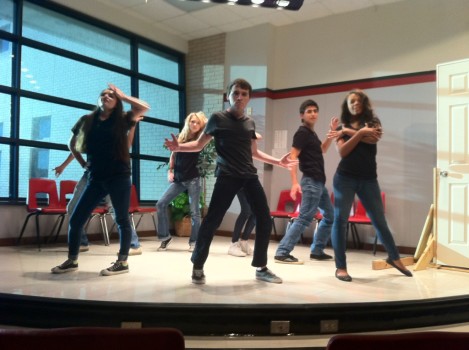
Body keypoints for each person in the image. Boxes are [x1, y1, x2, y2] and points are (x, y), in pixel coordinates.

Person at [164, 78, 298, 285]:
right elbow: (199, 145)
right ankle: (197, 266)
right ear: (228, 96)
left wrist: (277, 161)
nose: (239, 97)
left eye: (244, 94)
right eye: (236, 93)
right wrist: (179, 147)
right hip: (227, 176)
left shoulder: (249, 123)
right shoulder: (217, 118)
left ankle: (261, 268)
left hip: (249, 176)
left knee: (263, 218)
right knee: (212, 221)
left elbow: (254, 152)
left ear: (249, 98)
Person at [51, 84, 150, 276]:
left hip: (119, 176)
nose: (106, 96)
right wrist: (81, 163)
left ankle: (122, 262)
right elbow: (72, 144)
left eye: (111, 95)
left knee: (122, 219)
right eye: (103, 94)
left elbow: (144, 108)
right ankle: (72, 260)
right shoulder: (87, 120)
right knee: (76, 218)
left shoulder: (122, 119)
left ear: (117, 101)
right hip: (96, 177)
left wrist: (124, 96)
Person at [330, 89, 412, 282]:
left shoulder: (372, 123)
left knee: (379, 220)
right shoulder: (340, 127)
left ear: (364, 104)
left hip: (368, 179)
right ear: (347, 106)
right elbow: (343, 151)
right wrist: (359, 134)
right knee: (340, 221)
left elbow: (374, 138)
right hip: (345, 178)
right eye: (351, 102)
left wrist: (350, 132)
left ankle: (394, 257)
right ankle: (341, 267)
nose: (355, 104)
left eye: (359, 101)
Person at [274, 99, 337, 265]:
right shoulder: (302, 133)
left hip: (319, 184)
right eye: (309, 111)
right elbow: (293, 157)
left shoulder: (312, 134)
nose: (313, 113)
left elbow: (322, 149)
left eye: (315, 110)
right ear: (302, 115)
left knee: (330, 216)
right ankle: (282, 252)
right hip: (310, 182)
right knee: (304, 218)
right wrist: (294, 182)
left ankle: (317, 250)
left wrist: (330, 134)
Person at [54, 153, 143, 256]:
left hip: (110, 172)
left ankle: (133, 245)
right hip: (91, 173)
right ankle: (82, 243)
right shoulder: (85, 137)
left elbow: (124, 145)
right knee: (72, 207)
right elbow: (75, 146)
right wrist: (65, 165)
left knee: (115, 209)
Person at [156, 111, 208, 253]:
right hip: (178, 179)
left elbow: (210, 127)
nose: (195, 124)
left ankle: (194, 242)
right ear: (188, 122)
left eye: (198, 122)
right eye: (192, 121)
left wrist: (205, 120)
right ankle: (165, 237)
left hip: (193, 180)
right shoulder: (180, 137)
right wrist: (170, 171)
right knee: (161, 204)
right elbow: (173, 155)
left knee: (194, 212)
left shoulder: (200, 139)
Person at [228, 187, 256, 257]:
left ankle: (244, 242)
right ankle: (233, 244)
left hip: (251, 181)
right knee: (246, 211)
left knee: (255, 212)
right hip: (239, 181)